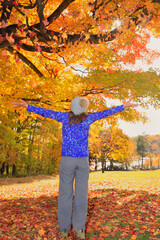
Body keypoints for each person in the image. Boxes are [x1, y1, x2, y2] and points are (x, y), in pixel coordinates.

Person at [12, 97, 138, 240]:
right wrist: (123, 106)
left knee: (65, 195)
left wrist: (28, 106)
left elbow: (45, 112)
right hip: (82, 161)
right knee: (81, 196)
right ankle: (79, 229)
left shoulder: (64, 117)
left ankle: (64, 230)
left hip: (67, 161)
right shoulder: (89, 118)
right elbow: (106, 113)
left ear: (72, 107)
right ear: (84, 109)